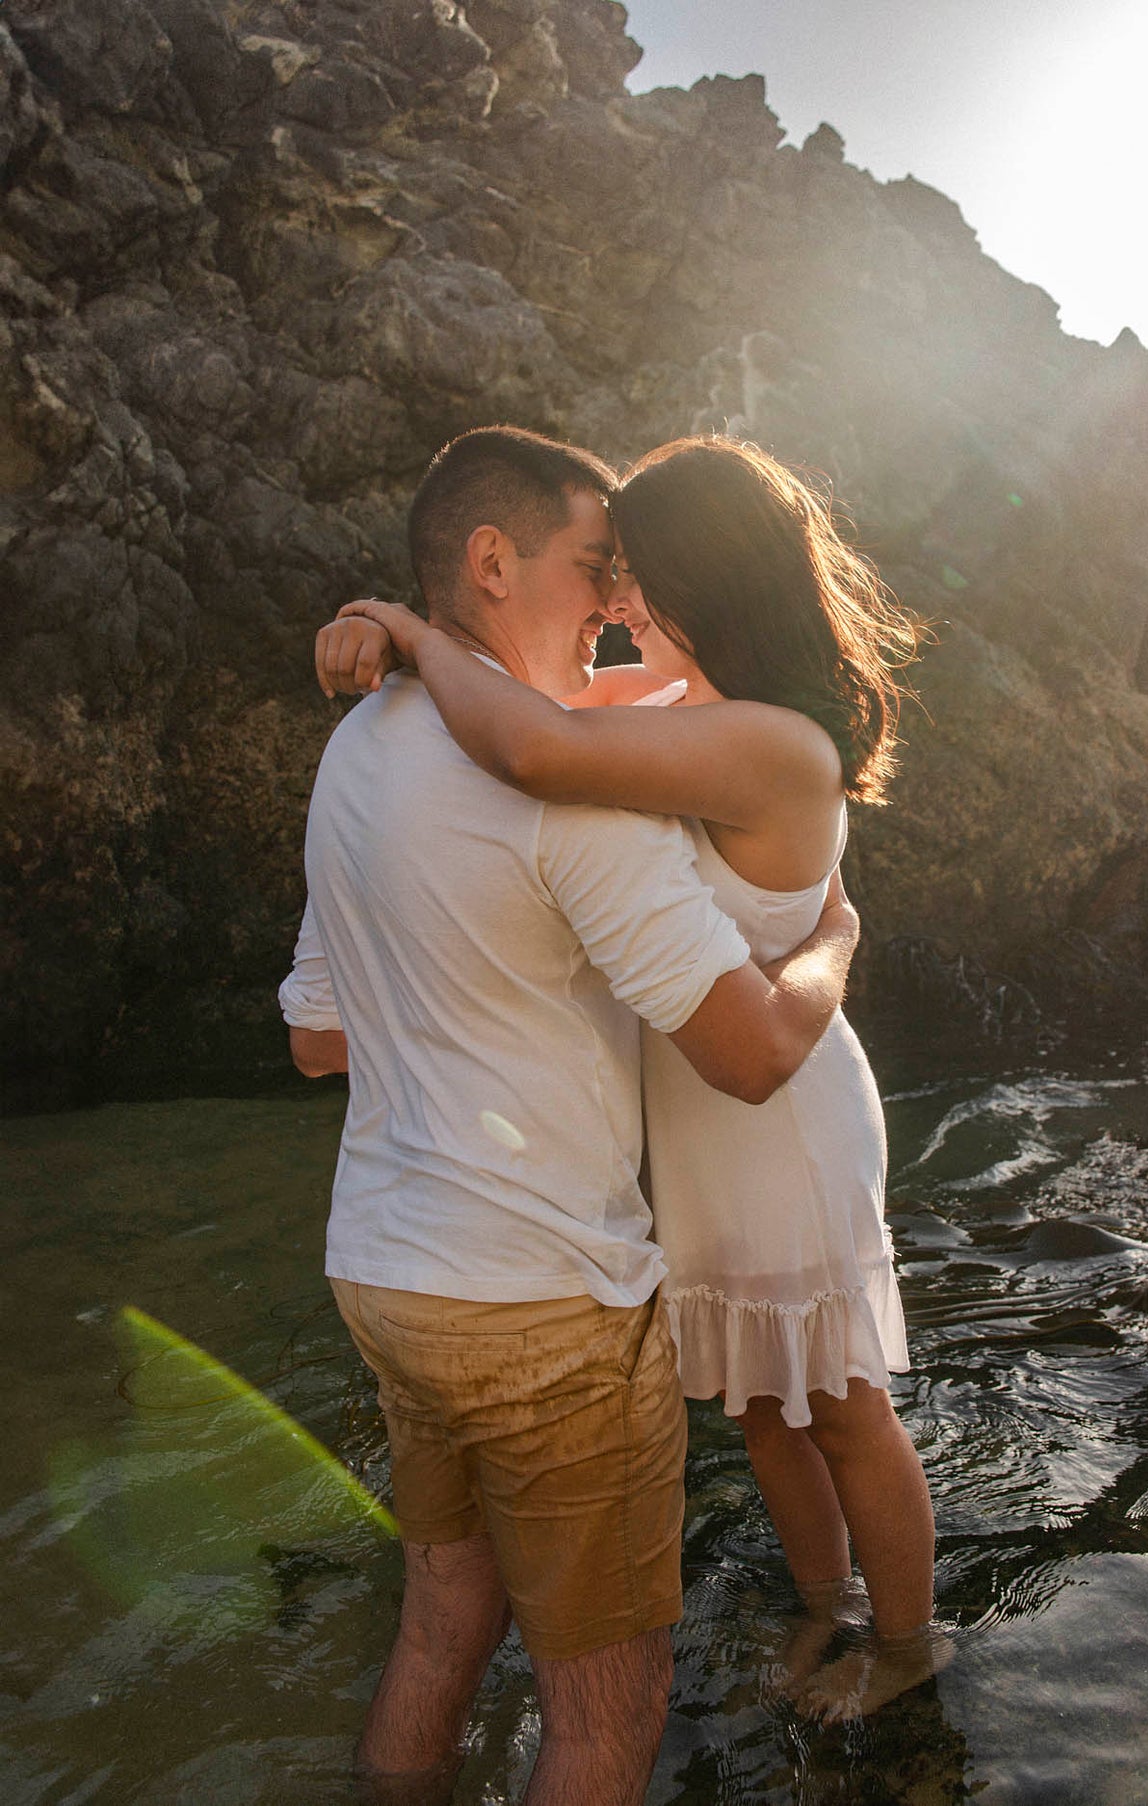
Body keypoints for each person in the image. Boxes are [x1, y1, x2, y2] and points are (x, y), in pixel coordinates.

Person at [316, 435, 946, 1720]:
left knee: (838, 1402)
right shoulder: (678, 707)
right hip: (700, 1122)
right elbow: (537, 719)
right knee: (767, 1412)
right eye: (604, 570)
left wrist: (417, 633)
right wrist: (423, 641)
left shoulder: (770, 744)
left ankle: (905, 1644)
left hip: (780, 1111)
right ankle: (820, 1613)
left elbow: (535, 753)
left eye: (631, 570)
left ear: (703, 574)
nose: (612, 599)